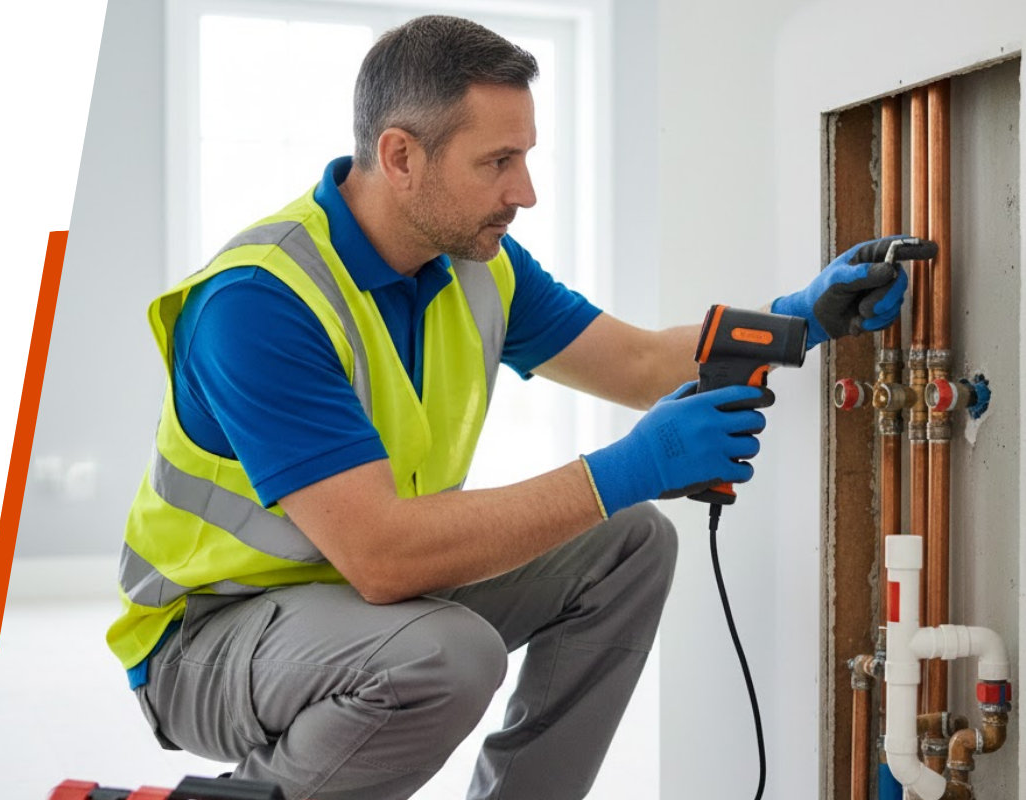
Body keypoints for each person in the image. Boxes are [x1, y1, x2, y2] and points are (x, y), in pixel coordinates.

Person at [106, 14, 909, 800]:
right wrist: (629, 464)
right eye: (497, 161)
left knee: (627, 544)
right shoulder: (260, 301)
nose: (522, 190)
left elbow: (634, 364)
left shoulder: (473, 265)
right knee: (446, 655)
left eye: (523, 156)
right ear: (399, 157)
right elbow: (383, 559)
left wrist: (798, 318)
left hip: (347, 596)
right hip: (206, 637)